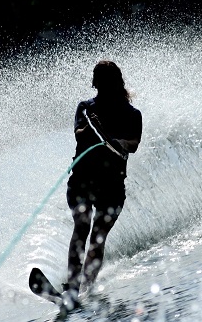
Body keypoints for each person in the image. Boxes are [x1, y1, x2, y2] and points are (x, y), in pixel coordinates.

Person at [63, 60, 142, 306]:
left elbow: (134, 144)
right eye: (99, 81)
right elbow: (79, 132)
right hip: (82, 182)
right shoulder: (86, 109)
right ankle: (72, 286)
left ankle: (87, 286)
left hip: (113, 186)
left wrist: (116, 141)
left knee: (97, 237)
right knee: (82, 227)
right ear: (95, 83)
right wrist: (90, 130)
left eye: (107, 81)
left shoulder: (132, 114)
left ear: (116, 83)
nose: (102, 86)